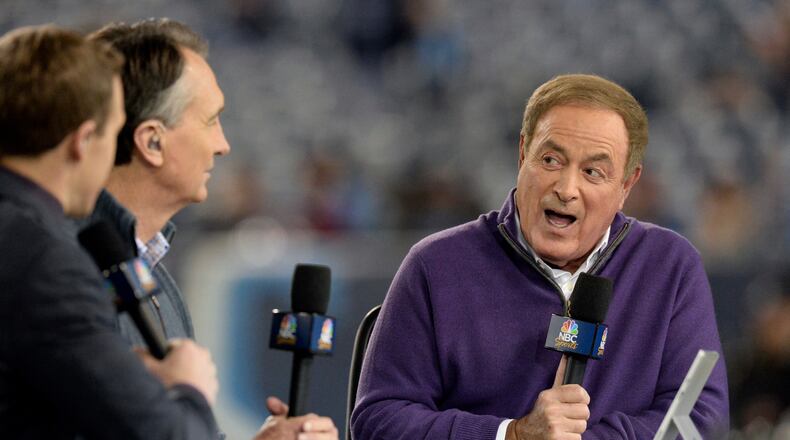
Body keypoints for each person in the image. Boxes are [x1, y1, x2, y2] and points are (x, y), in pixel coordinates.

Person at [351, 74, 730, 439]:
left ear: (626, 185)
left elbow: (702, 418)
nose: (567, 188)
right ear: (522, 154)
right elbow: (379, 420)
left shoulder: (670, 266)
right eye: (551, 160)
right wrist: (512, 435)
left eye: (593, 172)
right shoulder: (436, 266)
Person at [83, 19, 338, 440]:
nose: (223, 145)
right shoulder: (69, 269)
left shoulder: (155, 274)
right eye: (211, 121)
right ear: (152, 142)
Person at [0, 24, 221, 439]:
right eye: (111, 131)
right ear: (83, 140)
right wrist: (188, 388)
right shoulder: (49, 261)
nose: (223, 145)